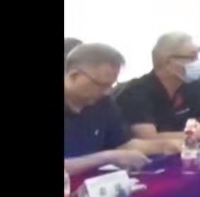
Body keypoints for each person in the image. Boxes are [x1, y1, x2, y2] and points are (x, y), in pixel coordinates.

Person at [64, 43, 180, 175]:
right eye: (102, 85)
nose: (107, 92)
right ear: (74, 76)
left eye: (111, 85)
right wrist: (107, 157)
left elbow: (123, 144)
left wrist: (165, 146)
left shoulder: (103, 103)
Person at [116, 32, 200, 142]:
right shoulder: (136, 93)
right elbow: (149, 138)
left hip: (179, 152)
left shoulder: (191, 85)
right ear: (168, 63)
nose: (198, 62)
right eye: (192, 57)